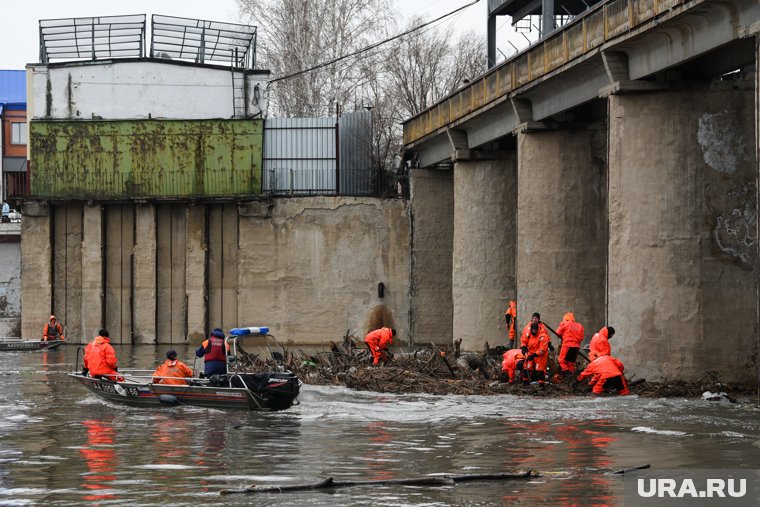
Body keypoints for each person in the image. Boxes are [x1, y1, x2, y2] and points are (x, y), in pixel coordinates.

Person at [554, 312, 584, 380]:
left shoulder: (565, 323)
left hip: (567, 345)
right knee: (571, 362)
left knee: (561, 360)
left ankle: (566, 373)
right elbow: (581, 337)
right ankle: (571, 377)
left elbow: (558, 332)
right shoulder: (579, 326)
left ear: (565, 319)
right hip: (576, 346)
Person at [524, 322, 550, 387]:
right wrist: (523, 347)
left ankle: (541, 386)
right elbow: (523, 340)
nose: (534, 331)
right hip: (531, 353)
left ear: (538, 329)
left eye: (535, 330)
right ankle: (526, 385)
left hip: (540, 356)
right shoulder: (528, 333)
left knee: (540, 371)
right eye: (533, 330)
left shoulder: (542, 336)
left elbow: (542, 349)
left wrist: (533, 355)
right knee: (526, 368)